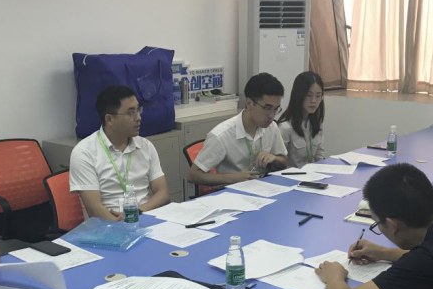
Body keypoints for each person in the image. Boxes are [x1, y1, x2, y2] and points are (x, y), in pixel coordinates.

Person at [69, 85, 169, 221]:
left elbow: (163, 193)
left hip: (145, 219)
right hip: (106, 226)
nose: (138, 117)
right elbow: (94, 209)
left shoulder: (145, 146)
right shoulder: (84, 152)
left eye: (138, 110)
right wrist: (122, 225)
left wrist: (139, 212)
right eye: (131, 112)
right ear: (109, 119)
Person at [187, 72, 288, 186]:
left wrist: (274, 158)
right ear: (249, 103)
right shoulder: (221, 135)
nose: (272, 115)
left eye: (276, 109)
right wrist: (233, 178)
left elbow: (284, 160)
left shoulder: (271, 127)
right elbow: (193, 175)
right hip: (232, 191)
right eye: (267, 108)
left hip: (263, 188)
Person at [277, 71, 326, 168]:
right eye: (308, 95)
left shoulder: (316, 123)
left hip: (313, 174)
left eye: (318, 96)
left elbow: (319, 154)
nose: (314, 101)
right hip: (292, 176)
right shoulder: (285, 128)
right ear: (299, 95)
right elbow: (279, 163)